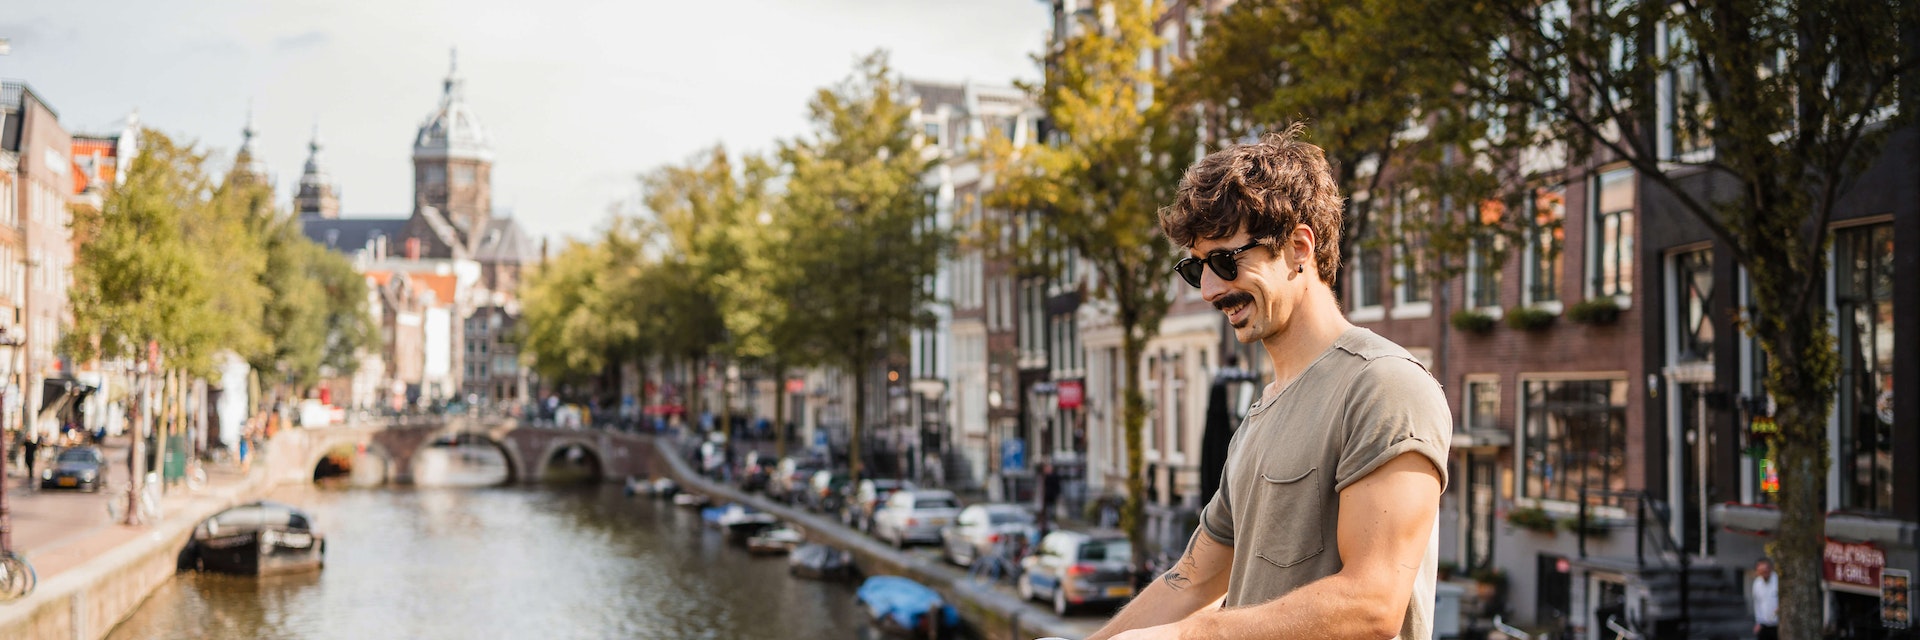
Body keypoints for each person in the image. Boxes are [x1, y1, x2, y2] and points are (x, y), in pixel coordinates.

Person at [1088, 127, 1451, 640]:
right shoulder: (1260, 415)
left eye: (1225, 261)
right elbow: (1188, 582)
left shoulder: (1384, 386)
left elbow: (1372, 604)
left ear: (1298, 247)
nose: (1211, 290)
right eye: (1197, 270)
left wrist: (1192, 636)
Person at [1752, 558, 1778, 640]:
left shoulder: (1778, 580)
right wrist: (1758, 622)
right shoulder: (1757, 583)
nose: (1763, 574)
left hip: (1778, 624)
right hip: (1764, 624)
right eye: (1761, 572)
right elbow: (1757, 604)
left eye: (1765, 571)